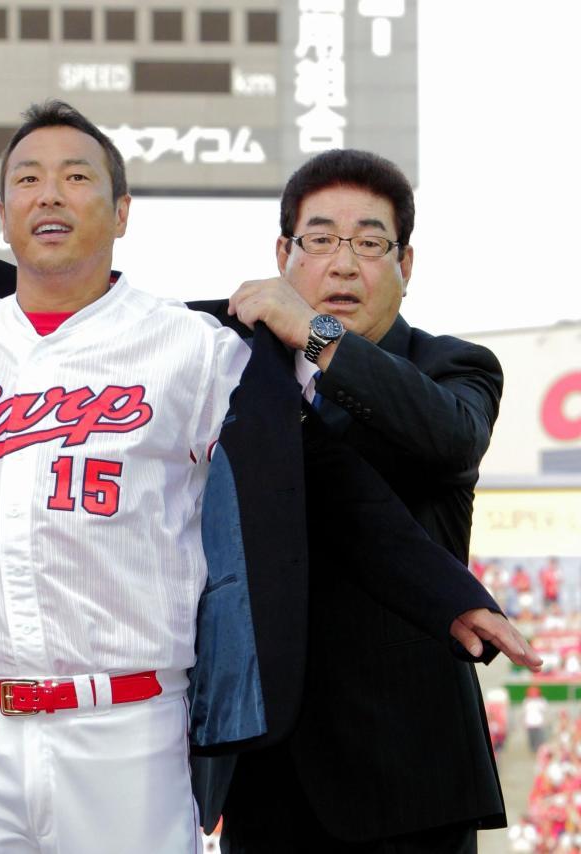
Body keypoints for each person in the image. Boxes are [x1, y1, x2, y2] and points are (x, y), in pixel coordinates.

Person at [0, 105, 537, 853]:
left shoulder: (192, 350)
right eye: (28, 180)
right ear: (1, 213)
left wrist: (440, 590)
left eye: (78, 177)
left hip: (128, 729)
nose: (50, 194)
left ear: (123, 212)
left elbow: (328, 484)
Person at [202, 148, 520, 852]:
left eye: (370, 243)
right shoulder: (230, 368)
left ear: (407, 264)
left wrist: (315, 336)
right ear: (284, 253)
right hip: (268, 769)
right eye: (319, 240)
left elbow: (446, 438)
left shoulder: (455, 367)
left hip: (409, 775)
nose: (343, 265)